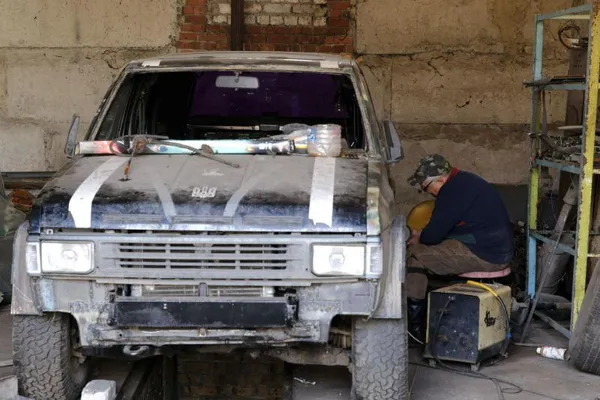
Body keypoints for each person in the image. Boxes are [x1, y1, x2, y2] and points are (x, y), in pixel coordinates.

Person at [405, 154, 514, 341]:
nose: (428, 192)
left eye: (426, 187)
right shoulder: (466, 181)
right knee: (430, 251)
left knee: (415, 256)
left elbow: (432, 237)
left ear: (440, 180)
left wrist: (418, 237)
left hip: (486, 255)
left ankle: (413, 329)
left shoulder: (451, 192)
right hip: (493, 248)